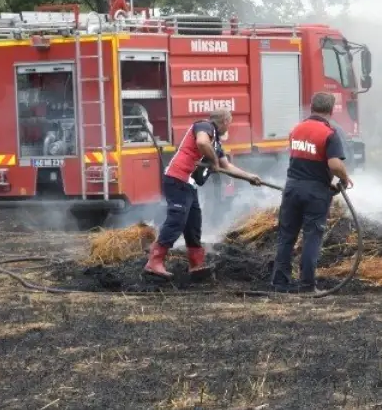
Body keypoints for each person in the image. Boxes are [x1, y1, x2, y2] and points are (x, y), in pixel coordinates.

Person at [144, 109, 261, 280]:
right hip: (177, 179)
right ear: (224, 121)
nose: (229, 126)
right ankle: (154, 262)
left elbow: (227, 167)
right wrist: (213, 161)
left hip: (189, 185)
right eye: (230, 122)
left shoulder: (217, 144)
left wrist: (249, 177)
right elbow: (202, 143)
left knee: (193, 224)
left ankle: (196, 264)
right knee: (177, 220)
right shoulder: (204, 126)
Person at [271, 92, 353, 293]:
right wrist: (344, 178)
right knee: (312, 237)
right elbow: (334, 164)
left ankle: (280, 284)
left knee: (286, 236)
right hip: (315, 191)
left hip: (292, 188)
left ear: (312, 107)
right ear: (331, 110)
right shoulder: (329, 133)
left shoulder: (296, 129)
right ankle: (307, 286)